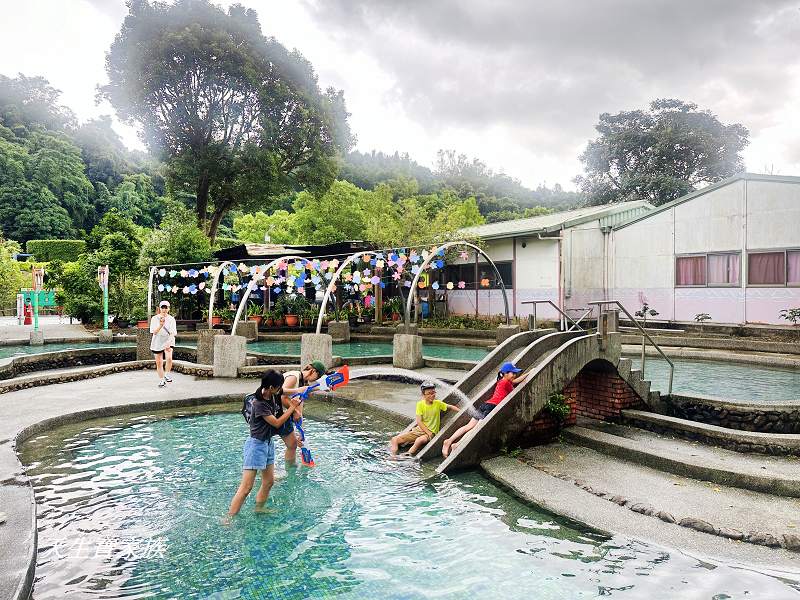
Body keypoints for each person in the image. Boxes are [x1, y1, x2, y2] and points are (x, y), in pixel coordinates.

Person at [228, 370, 300, 517]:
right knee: (246, 487)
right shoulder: (259, 403)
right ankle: (229, 517)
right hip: (256, 445)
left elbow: (291, 391)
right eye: (279, 387)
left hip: (267, 443)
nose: (281, 390)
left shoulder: (272, 394)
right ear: (272, 387)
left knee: (269, 482)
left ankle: (259, 509)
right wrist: (292, 408)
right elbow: (277, 423)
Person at [442, 362, 530, 458]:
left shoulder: (501, 381)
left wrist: (528, 373)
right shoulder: (507, 383)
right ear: (505, 373)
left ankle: (449, 441)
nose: (514, 375)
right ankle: (457, 445)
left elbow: (515, 381)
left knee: (468, 426)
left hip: (485, 405)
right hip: (491, 407)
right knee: (475, 429)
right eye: (513, 373)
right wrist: (528, 376)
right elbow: (514, 390)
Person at [389, 381, 460, 456]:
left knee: (419, 440)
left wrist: (462, 411)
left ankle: (407, 455)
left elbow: (451, 406)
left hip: (431, 431)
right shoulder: (420, 404)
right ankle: (393, 457)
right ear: (423, 395)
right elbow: (419, 421)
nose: (432, 395)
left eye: (433, 393)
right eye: (429, 393)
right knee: (394, 440)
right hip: (420, 430)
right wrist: (427, 432)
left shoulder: (438, 403)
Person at [279, 361, 327, 464]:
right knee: (266, 443)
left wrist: (300, 432)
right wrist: (294, 411)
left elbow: (299, 410)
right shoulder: (294, 377)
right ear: (313, 371)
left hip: (280, 412)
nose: (316, 380)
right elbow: (281, 394)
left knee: (292, 444)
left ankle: (291, 471)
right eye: (317, 376)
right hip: (269, 410)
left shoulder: (303, 383)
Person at [150, 300, 176, 388]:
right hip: (157, 341)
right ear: (160, 308)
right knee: (159, 362)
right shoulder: (154, 318)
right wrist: (161, 325)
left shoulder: (171, 319)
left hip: (169, 340)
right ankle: (161, 380)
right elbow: (154, 332)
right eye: (163, 307)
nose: (164, 309)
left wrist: (169, 342)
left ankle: (167, 374)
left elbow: (173, 332)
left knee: (169, 358)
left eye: (166, 307)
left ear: (169, 308)